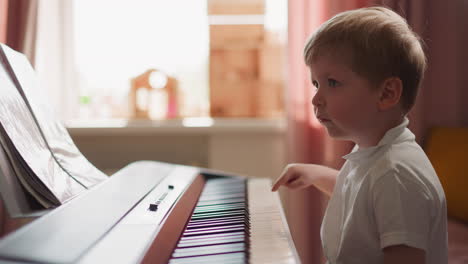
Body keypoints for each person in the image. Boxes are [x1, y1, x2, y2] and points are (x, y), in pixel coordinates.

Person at [271, 6, 447, 264]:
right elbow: (362, 198)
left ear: (386, 94)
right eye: (316, 84)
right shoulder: (377, 152)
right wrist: (314, 173)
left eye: (332, 82)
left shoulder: (395, 175)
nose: (316, 99)